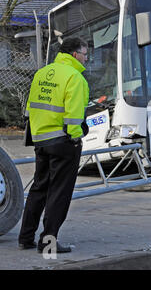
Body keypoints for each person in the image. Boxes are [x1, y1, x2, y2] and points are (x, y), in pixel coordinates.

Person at [18, 37, 90, 253]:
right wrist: (76, 137)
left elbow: (29, 110)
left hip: (41, 140)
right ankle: (48, 242)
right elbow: (74, 117)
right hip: (63, 143)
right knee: (59, 193)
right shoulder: (75, 78)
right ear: (75, 54)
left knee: (39, 188)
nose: (87, 59)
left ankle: (25, 237)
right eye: (85, 54)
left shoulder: (42, 73)